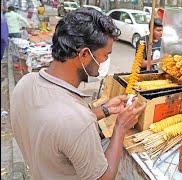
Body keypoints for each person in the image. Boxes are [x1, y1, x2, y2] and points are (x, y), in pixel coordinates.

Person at [10, 8, 146, 179]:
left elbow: (56, 126)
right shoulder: (77, 121)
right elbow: (104, 177)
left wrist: (104, 110)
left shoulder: (25, 82)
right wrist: (120, 127)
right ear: (84, 54)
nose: (106, 62)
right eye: (105, 55)